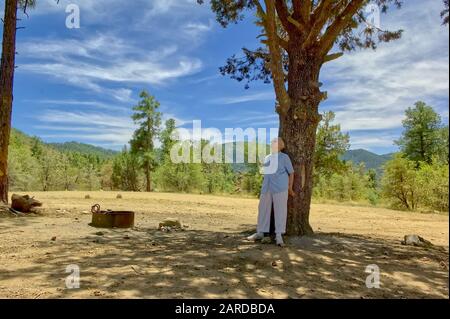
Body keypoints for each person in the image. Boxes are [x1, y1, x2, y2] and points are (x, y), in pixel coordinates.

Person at [247, 137, 295, 247]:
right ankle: (260, 232)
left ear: (280, 145)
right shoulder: (267, 157)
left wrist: (290, 188)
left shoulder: (284, 157)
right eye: (272, 141)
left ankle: (279, 235)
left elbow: (291, 172)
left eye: (275, 141)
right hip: (267, 187)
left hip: (280, 187)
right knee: (263, 208)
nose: (273, 143)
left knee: (280, 210)